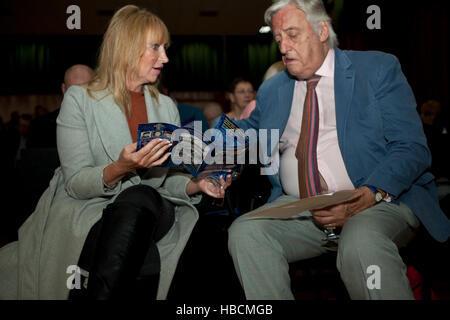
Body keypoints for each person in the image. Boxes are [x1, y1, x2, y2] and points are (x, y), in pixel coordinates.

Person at [0, 5, 231, 300]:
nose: (165, 58)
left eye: (166, 48)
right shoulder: (81, 100)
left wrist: (195, 184)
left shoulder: (166, 106)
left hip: (151, 206)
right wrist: (120, 167)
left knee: (141, 196)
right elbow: (76, 183)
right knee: (140, 243)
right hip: (89, 208)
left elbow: (165, 179)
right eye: (156, 47)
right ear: (127, 47)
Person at [228, 0, 450, 300]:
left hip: (377, 200)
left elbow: (411, 148)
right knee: (246, 233)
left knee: (360, 241)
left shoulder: (375, 69)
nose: (283, 46)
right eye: (278, 38)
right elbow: (247, 131)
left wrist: (370, 193)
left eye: (292, 34)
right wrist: (196, 142)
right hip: (302, 208)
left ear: (321, 31)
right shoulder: (274, 89)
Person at [27, 64, 94, 148]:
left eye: (85, 90)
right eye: (73, 91)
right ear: (64, 89)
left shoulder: (104, 124)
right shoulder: (40, 127)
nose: (79, 97)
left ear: (95, 89)